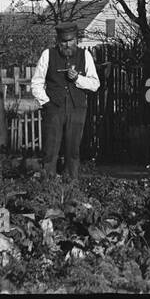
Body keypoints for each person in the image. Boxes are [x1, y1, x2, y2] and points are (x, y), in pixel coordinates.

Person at [30, 21, 99, 180]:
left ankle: (71, 185)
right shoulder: (48, 55)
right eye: (63, 41)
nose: (67, 44)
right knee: (50, 149)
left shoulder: (85, 56)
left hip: (77, 109)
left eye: (70, 40)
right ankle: (49, 185)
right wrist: (46, 103)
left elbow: (95, 84)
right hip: (54, 108)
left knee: (73, 149)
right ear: (58, 41)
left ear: (76, 40)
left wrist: (78, 79)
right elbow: (37, 83)